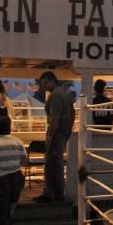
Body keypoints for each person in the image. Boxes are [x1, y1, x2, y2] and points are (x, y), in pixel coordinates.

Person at [35, 71, 75, 202]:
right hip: (63, 131)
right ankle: (57, 192)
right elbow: (73, 112)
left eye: (45, 83)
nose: (44, 86)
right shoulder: (64, 93)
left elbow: (55, 118)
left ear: (52, 80)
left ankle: (51, 193)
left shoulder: (55, 96)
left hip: (57, 133)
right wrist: (68, 129)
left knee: (51, 163)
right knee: (57, 163)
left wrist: (49, 137)